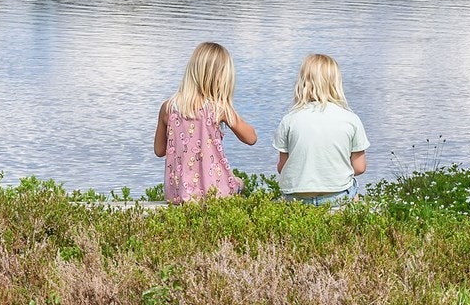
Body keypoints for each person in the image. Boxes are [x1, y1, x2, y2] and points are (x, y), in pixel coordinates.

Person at [154, 41, 258, 204]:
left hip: (179, 194)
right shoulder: (218, 109)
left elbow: (159, 150)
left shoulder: (168, 108)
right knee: (239, 182)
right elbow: (251, 138)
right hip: (215, 192)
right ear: (221, 78)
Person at [273, 54, 368, 205]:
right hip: (336, 198)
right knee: (352, 188)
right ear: (336, 83)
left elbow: (283, 168)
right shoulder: (351, 119)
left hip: (296, 200)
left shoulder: (289, 120)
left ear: (302, 83)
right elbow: (360, 167)